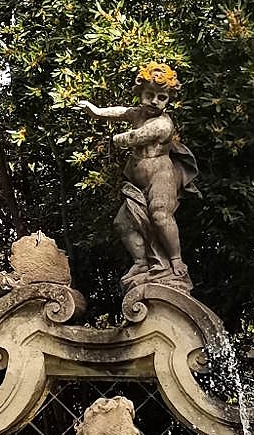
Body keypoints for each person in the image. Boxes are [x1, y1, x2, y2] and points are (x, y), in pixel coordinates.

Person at [77, 62, 198, 290]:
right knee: (123, 223)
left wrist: (115, 140)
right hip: (137, 182)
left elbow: (136, 136)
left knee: (160, 215)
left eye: (161, 97)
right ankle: (141, 263)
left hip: (160, 176)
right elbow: (121, 111)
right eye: (149, 95)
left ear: (169, 99)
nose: (154, 101)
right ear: (140, 93)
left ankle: (175, 261)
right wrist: (96, 111)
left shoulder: (163, 124)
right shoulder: (139, 113)